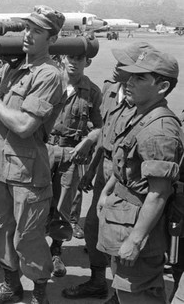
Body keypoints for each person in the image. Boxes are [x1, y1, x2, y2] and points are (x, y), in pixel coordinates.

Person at [0, 5, 65, 304]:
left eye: (37, 31)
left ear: (51, 38)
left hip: (27, 173)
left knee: (29, 238)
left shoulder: (50, 74)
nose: (28, 35)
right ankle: (11, 286)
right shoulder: (14, 68)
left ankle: (39, 293)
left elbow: (24, 125)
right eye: (27, 28)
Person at [62, 42, 154, 302]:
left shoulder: (143, 100)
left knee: (120, 233)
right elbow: (104, 133)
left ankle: (120, 292)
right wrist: (90, 171)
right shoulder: (110, 90)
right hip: (104, 170)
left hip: (125, 176)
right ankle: (98, 281)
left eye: (123, 64)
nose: (116, 66)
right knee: (93, 229)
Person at [96, 49, 182, 303]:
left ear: (163, 87)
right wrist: (108, 189)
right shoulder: (142, 115)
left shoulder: (160, 130)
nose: (129, 82)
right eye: (130, 77)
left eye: (140, 78)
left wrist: (135, 240)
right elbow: (126, 163)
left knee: (137, 294)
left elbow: (159, 193)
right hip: (122, 219)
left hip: (136, 228)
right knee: (125, 290)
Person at [45, 53, 102, 277]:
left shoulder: (93, 92)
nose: (74, 61)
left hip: (72, 154)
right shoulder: (49, 83)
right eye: (70, 56)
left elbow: (100, 127)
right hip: (44, 149)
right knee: (35, 200)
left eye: (80, 58)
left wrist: (88, 142)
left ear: (87, 62)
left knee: (63, 205)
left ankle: (56, 251)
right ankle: (31, 248)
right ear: (62, 59)